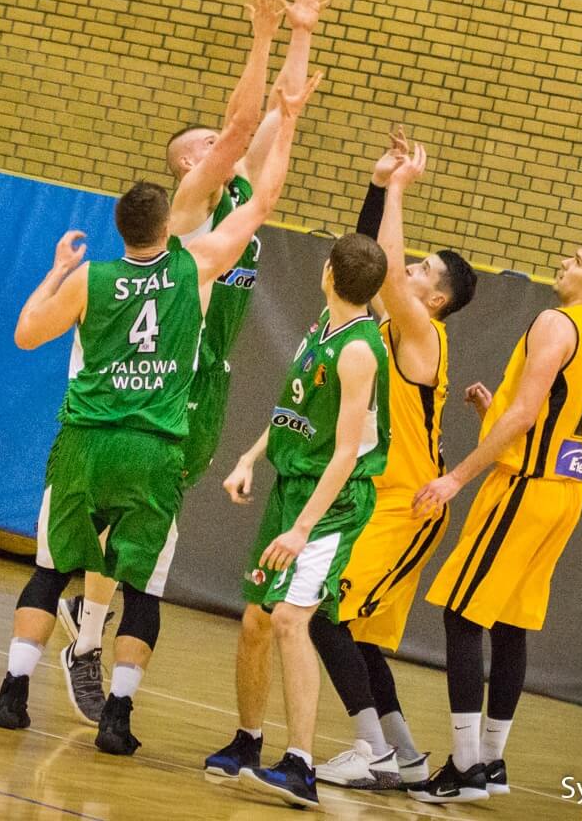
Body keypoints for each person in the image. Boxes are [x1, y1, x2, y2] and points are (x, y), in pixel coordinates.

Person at [0, 69, 321, 757]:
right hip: (154, 443)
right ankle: (114, 706)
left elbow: (23, 335)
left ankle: (13, 691)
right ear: (170, 221)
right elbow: (263, 188)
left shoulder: (92, 279)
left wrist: (56, 273)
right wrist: (287, 113)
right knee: (142, 584)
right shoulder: (193, 264)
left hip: (90, 439)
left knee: (51, 569)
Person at [55, 0, 329, 724]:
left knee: (154, 514)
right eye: (199, 147)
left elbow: (279, 113)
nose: (217, 145)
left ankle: (90, 619)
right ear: (185, 170)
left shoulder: (240, 200)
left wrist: (301, 31)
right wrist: (262, 38)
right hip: (154, 380)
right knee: (127, 516)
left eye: (213, 141)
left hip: (208, 376)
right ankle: (86, 637)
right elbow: (242, 127)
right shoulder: (188, 212)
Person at [410, 237, 582, 803]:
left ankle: (464, 767)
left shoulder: (557, 323)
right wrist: (494, 415)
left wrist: (456, 478)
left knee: (462, 614)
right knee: (510, 624)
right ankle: (491, 761)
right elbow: (557, 416)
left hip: (523, 489)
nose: (564, 262)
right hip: (564, 494)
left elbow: (529, 414)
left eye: (577, 262)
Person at [311, 133, 477, 791]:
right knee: (358, 635)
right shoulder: (392, 324)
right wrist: (378, 186)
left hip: (406, 507)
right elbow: (365, 261)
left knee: (323, 611)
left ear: (435, 300)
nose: (406, 269)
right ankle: (403, 755)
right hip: (376, 499)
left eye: (422, 270)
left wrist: (402, 192)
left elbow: (383, 268)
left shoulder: (424, 335)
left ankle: (372, 750)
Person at [204, 232, 390, 808]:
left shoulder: (358, 350)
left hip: (333, 502)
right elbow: (293, 409)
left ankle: (301, 766)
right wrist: (249, 457)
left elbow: (345, 453)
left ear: (329, 272)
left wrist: (303, 527)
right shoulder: (325, 324)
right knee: (256, 620)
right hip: (292, 487)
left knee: (290, 618)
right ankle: (248, 741)